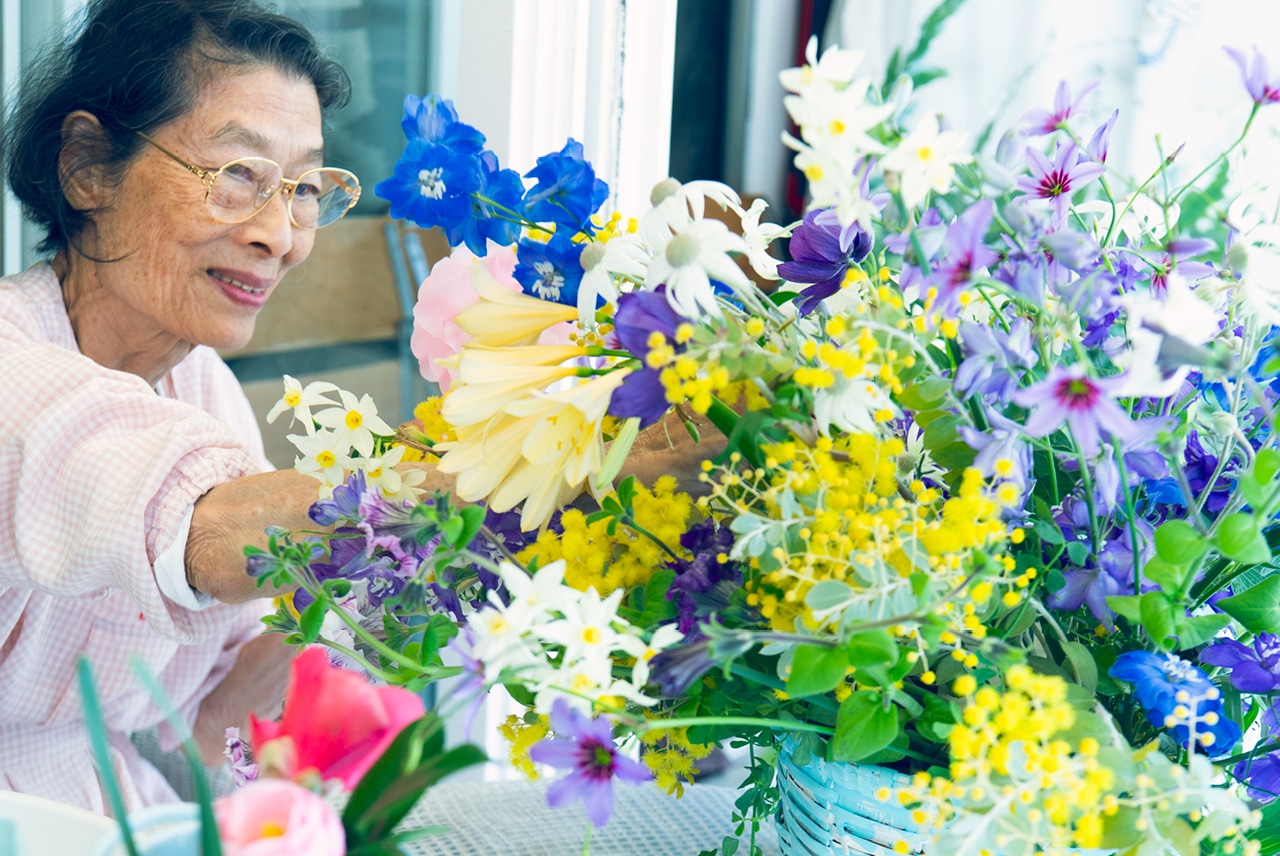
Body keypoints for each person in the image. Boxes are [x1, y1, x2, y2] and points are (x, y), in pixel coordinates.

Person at [0, 0, 714, 815]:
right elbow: (203, 523)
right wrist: (538, 482)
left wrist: (364, 592)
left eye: (304, 188)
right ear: (87, 165)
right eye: (238, 175)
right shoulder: (12, 370)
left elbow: (208, 725)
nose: (283, 234)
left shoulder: (200, 391)